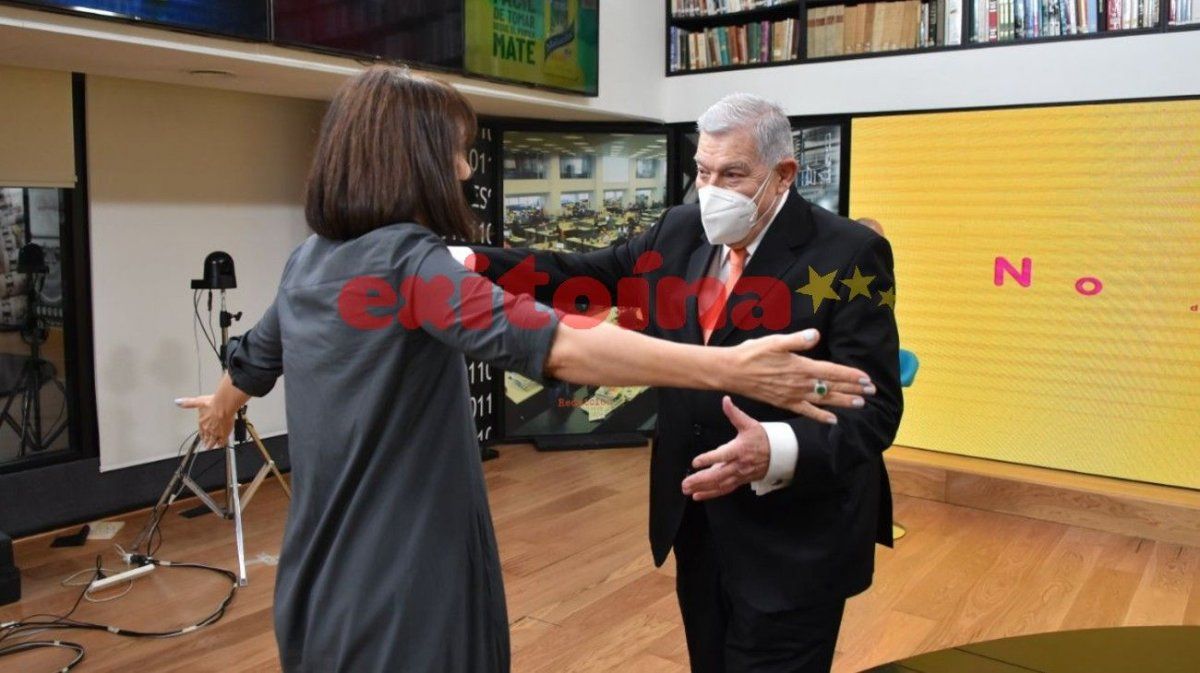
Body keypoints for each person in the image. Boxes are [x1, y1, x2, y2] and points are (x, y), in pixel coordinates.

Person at [178, 69, 875, 673]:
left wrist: (221, 403)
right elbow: (563, 340)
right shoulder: (414, 265)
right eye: (454, 152)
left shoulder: (312, 259)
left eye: (733, 175)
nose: (465, 169)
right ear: (415, 159)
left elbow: (258, 355)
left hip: (316, 577)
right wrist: (732, 369)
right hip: (408, 580)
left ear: (783, 175)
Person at [457, 93, 903, 673]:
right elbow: (586, 275)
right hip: (698, 522)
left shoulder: (850, 253)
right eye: (703, 170)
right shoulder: (679, 229)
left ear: (783, 174)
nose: (711, 188)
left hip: (796, 539)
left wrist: (776, 449)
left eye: (733, 174)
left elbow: (876, 408)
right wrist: (464, 261)